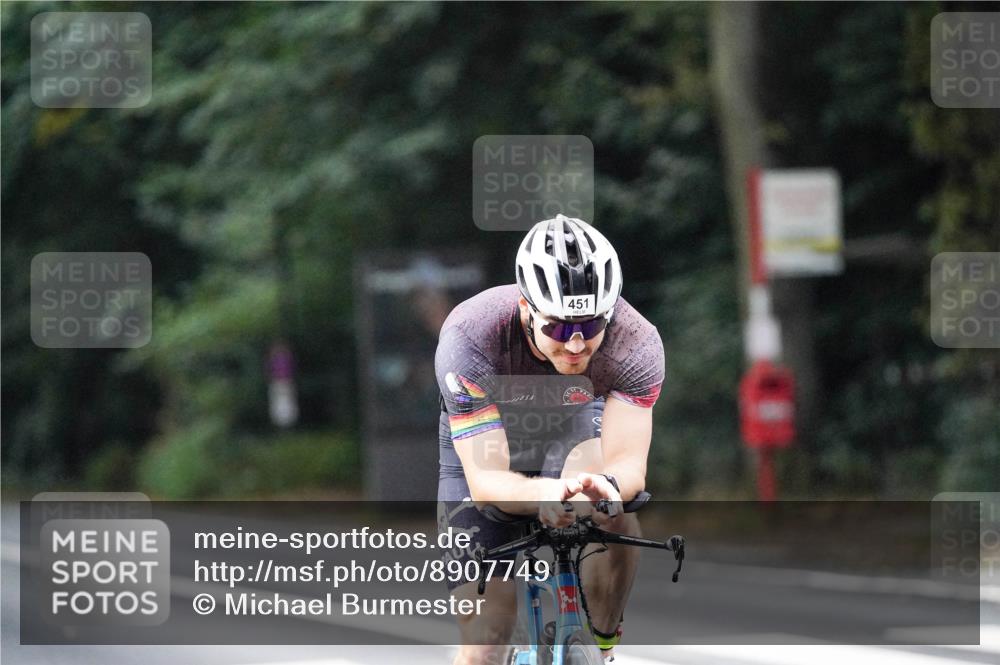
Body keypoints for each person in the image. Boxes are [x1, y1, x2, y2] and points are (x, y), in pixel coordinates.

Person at [436, 214, 665, 665]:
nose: (577, 345)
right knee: (485, 643)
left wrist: (607, 490)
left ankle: (601, 643)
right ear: (526, 309)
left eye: (592, 325)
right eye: (559, 328)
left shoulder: (636, 343)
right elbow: (487, 481)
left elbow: (627, 465)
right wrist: (545, 491)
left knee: (611, 511)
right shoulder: (471, 337)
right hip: (490, 439)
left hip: (576, 420)